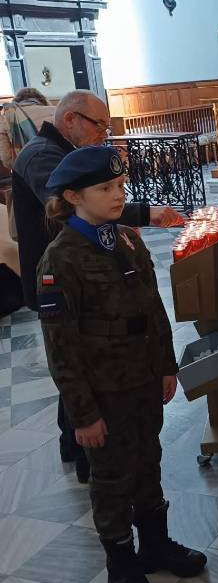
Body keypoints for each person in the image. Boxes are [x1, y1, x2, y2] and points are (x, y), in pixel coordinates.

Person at [37, 145, 206, 583]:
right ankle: (122, 568)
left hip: (142, 380)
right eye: (105, 188)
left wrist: (166, 366)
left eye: (120, 186)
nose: (118, 195)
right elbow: (61, 348)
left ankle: (155, 544)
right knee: (112, 478)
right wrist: (82, 414)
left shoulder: (127, 240)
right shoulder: (61, 259)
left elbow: (153, 310)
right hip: (102, 391)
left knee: (148, 460)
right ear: (74, 197)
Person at [12, 89, 183, 480]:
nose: (103, 134)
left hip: (90, 279)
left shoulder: (64, 153)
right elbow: (70, 207)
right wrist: (145, 213)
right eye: (98, 125)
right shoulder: (42, 155)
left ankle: (79, 443)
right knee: (77, 357)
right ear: (70, 119)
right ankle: (83, 446)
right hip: (65, 279)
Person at [0, 87, 54, 170]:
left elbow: (6, 158)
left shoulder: (7, 117)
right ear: (41, 99)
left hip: (26, 168)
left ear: (17, 100)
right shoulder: (55, 111)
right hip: (56, 162)